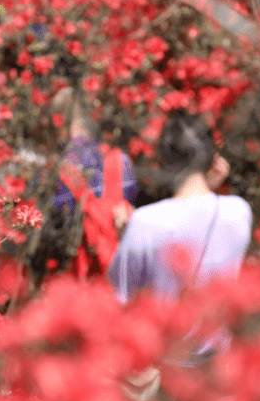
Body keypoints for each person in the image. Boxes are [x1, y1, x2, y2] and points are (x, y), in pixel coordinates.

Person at [108, 111, 252, 305]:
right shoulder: (238, 212)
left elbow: (122, 300)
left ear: (163, 160)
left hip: (166, 334)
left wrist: (126, 238)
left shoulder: (144, 222)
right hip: (219, 334)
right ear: (213, 158)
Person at [29, 87, 138, 280]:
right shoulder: (121, 160)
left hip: (72, 283)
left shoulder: (58, 170)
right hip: (114, 275)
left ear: (59, 121)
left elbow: (48, 237)